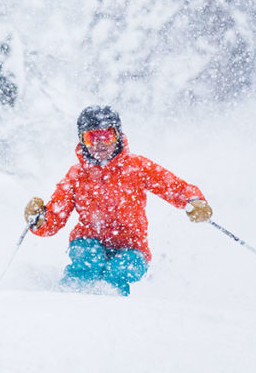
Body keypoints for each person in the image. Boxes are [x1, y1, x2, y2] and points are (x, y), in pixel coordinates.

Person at [24, 105, 212, 296]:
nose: (100, 144)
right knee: (87, 263)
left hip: (131, 247)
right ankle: (68, 297)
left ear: (118, 136)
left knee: (119, 271)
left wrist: (194, 201)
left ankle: (110, 305)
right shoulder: (77, 175)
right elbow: (55, 216)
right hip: (88, 240)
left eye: (107, 136)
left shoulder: (136, 167)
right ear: (82, 141)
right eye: (92, 138)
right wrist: (40, 221)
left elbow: (173, 187)